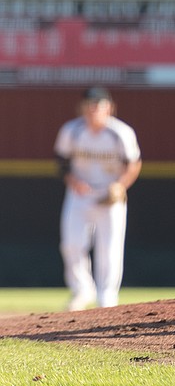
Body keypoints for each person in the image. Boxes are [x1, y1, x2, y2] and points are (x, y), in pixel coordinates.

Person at [54, 86, 142, 311]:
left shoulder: (120, 132)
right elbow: (61, 160)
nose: (94, 109)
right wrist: (73, 181)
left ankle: (107, 297)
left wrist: (120, 186)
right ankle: (82, 290)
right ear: (82, 108)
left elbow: (134, 163)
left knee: (109, 248)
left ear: (109, 108)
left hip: (109, 195)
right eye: (90, 105)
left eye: (99, 105)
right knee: (71, 244)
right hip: (80, 194)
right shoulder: (72, 130)